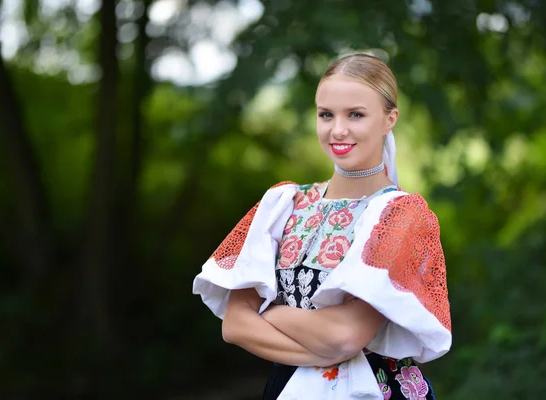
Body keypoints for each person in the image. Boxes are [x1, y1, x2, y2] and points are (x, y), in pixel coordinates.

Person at [193, 53, 451, 400]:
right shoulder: (282, 205)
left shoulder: (398, 216)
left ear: (390, 119)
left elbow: (346, 335)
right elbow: (236, 325)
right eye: (326, 114)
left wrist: (269, 311)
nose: (338, 129)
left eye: (355, 115)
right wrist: (326, 349)